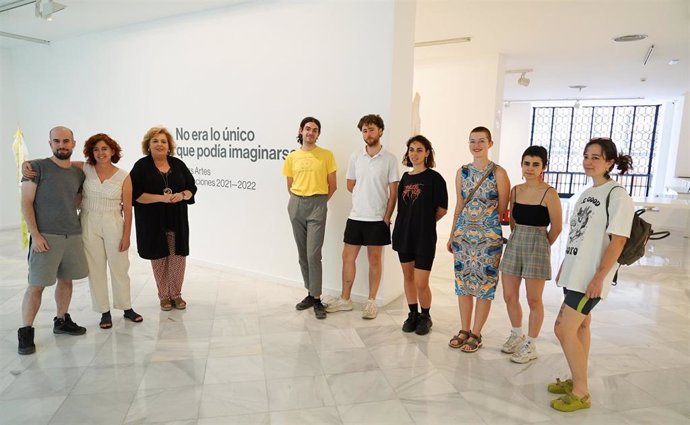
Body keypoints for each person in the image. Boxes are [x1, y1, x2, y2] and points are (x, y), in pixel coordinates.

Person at [22, 134, 142, 329]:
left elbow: (128, 209)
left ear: (112, 151)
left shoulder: (124, 176)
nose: (100, 153)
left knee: (120, 267)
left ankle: (126, 307)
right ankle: (104, 311)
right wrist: (27, 163)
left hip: (113, 222)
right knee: (95, 269)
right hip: (88, 221)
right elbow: (55, 162)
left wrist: (127, 236)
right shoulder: (85, 168)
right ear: (90, 152)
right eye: (96, 149)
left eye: (105, 149)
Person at [549, 137, 634, 412]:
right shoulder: (586, 194)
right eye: (586, 156)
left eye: (596, 157)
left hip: (590, 278)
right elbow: (579, 234)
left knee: (562, 329)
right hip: (575, 272)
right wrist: (565, 263)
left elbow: (618, 241)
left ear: (610, 162)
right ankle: (577, 380)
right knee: (582, 326)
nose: (588, 161)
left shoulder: (617, 194)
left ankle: (581, 393)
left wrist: (599, 277)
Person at [18, 126, 89, 355]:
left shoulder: (78, 172)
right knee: (36, 285)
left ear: (73, 143)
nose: (61, 145)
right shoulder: (36, 168)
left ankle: (61, 321)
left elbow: (76, 200)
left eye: (66, 141)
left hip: (73, 234)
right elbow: (26, 202)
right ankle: (26, 332)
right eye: (56, 141)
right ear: (50, 144)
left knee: (66, 280)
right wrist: (35, 235)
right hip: (46, 236)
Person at [326, 114, 399, 319]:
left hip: (378, 219)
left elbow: (393, 192)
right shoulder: (355, 156)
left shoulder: (390, 159)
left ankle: (371, 302)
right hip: (356, 217)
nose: (368, 134)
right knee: (347, 257)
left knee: (375, 260)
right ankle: (345, 299)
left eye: (372, 129)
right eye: (365, 130)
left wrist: (387, 217)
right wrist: (364, 192)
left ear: (380, 131)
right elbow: (350, 184)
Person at [447, 126, 510, 353]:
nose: (476, 145)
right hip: (464, 235)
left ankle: (476, 333)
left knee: (484, 286)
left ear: (490, 143)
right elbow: (459, 205)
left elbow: (503, 208)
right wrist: (453, 233)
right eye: (472, 141)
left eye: (481, 141)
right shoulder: (461, 172)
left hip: (489, 237)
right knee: (463, 284)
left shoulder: (499, 173)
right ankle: (464, 329)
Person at [499, 146, 562, 363]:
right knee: (509, 295)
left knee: (534, 299)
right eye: (527, 163)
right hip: (516, 242)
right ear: (522, 165)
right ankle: (517, 333)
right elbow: (513, 221)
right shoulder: (516, 190)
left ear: (544, 167)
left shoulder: (549, 193)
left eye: (536, 164)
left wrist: (543, 246)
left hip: (538, 244)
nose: (530, 168)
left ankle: (531, 344)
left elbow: (557, 227)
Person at [130, 127, 197, 311]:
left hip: (177, 220)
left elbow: (192, 187)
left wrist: (182, 195)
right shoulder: (141, 166)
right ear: (148, 146)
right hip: (153, 222)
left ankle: (176, 294)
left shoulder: (178, 164)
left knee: (177, 258)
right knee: (159, 259)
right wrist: (162, 198)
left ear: (169, 147)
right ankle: (164, 296)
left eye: (163, 141)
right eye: (155, 141)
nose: (159, 144)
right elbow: (135, 194)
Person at [392, 135, 447, 335]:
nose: (414, 154)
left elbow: (442, 209)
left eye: (419, 150)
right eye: (411, 149)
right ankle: (412, 314)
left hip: (424, 237)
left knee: (421, 282)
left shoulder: (435, 178)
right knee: (408, 276)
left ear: (427, 153)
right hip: (404, 234)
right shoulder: (405, 179)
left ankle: (425, 316)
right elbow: (402, 208)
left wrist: (424, 223)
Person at [283, 117, 337, 319]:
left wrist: (319, 202)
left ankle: (316, 298)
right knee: (302, 253)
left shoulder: (326, 155)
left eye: (315, 130)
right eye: (307, 129)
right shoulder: (292, 157)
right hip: (296, 204)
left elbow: (333, 185)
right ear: (301, 131)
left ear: (318, 134)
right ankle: (309, 292)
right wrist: (300, 199)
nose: (310, 133)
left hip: (317, 204)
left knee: (314, 253)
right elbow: (290, 185)